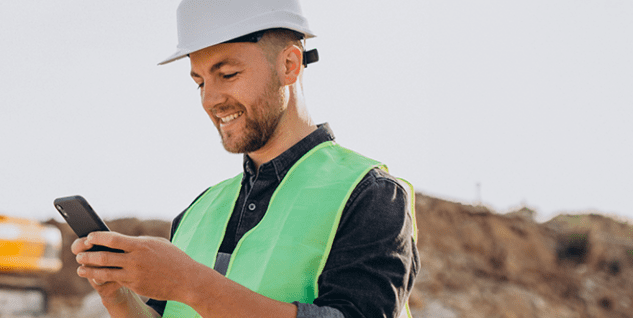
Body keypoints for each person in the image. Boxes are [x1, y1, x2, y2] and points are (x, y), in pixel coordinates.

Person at [71, 0, 419, 317]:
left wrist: (191, 284)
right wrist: (118, 297)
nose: (210, 99)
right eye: (200, 82)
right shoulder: (200, 211)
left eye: (228, 75)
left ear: (289, 65)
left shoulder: (368, 194)